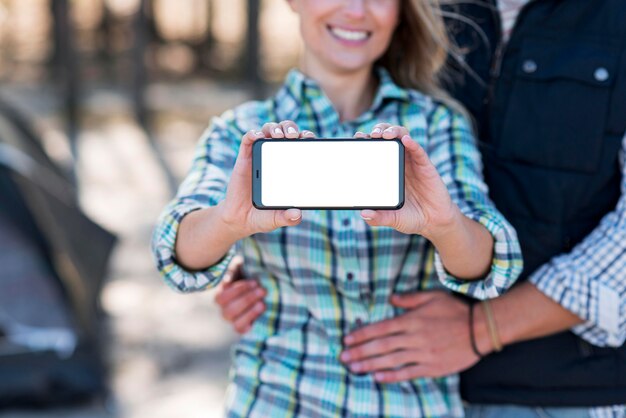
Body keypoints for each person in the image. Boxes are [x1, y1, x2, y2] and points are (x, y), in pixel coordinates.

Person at [216, 0, 626, 417]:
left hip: (569, 387)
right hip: (419, 388)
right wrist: (254, 255)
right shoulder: (428, 8)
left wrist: (483, 327)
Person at [151, 0, 524, 417]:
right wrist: (226, 222)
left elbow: (492, 266)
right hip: (274, 401)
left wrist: (445, 225)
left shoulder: (437, 125)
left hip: (409, 405)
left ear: (401, 11)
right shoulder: (241, 130)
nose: (356, 10)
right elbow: (175, 256)